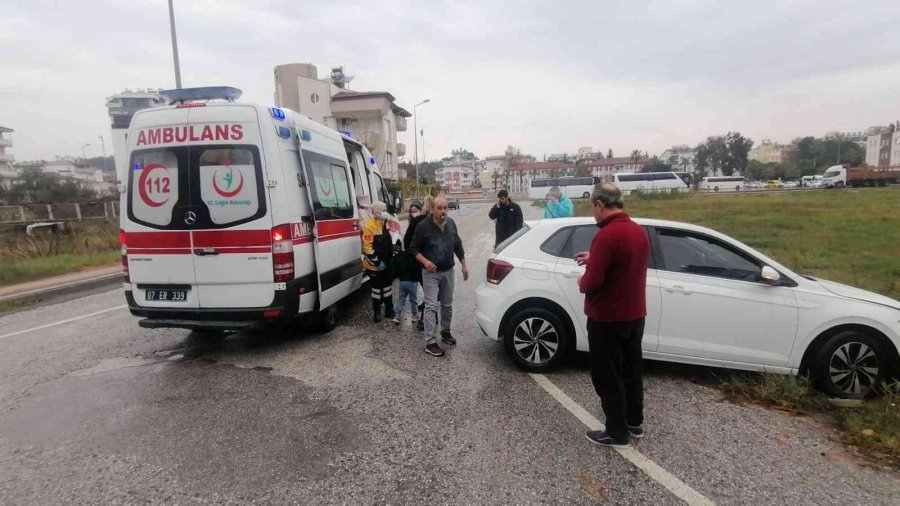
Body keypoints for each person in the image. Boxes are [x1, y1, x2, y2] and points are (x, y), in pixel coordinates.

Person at [576, 183, 650, 448]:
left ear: (600, 204)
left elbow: (592, 282)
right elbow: (622, 262)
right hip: (635, 315)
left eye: (593, 208)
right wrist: (595, 257)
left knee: (607, 375)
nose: (593, 213)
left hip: (607, 318)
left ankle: (615, 432)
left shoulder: (607, 235)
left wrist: (582, 281)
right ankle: (634, 421)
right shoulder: (637, 231)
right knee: (631, 370)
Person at [410, 197, 469, 357]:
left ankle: (445, 332)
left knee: (447, 305)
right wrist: (425, 261)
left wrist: (463, 264)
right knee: (430, 306)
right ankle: (430, 342)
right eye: (439, 208)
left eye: (445, 208)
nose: (443, 211)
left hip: (448, 271)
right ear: (432, 210)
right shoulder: (423, 227)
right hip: (430, 273)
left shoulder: (451, 224)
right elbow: (413, 249)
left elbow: (458, 245)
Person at [362, 201, 396, 322]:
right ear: (376, 212)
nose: (385, 212)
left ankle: (389, 310)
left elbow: (389, 240)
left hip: (386, 262)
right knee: (376, 289)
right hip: (374, 265)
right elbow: (367, 247)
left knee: (387, 287)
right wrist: (377, 262)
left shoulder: (385, 223)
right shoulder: (369, 226)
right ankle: (377, 313)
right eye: (383, 210)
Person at [394, 202, 425, 324]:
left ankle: (423, 310)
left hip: (420, 258)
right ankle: (417, 314)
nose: (413, 213)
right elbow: (406, 241)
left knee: (423, 284)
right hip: (412, 259)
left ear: (420, 210)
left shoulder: (423, 223)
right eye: (411, 211)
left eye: (415, 210)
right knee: (413, 295)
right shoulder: (412, 224)